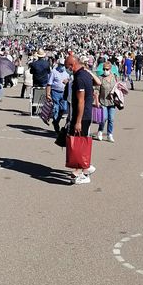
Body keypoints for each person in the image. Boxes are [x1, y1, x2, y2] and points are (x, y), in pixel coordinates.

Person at [65, 52, 95, 185]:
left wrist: (77, 121)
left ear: (72, 65)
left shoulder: (80, 78)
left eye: (67, 66)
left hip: (82, 115)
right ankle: (82, 168)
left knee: (78, 143)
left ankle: (83, 170)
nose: (67, 69)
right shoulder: (85, 74)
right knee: (79, 142)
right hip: (84, 114)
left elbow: (81, 101)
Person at [45, 57, 69, 134]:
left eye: (64, 65)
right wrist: (48, 94)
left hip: (64, 92)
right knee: (56, 109)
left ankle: (56, 121)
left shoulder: (67, 73)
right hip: (55, 92)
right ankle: (56, 124)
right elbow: (49, 84)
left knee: (64, 109)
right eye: (61, 65)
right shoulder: (54, 72)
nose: (62, 66)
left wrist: (68, 81)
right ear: (58, 64)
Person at [96, 61, 117, 142]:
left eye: (107, 69)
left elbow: (118, 87)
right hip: (103, 101)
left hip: (112, 102)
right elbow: (97, 91)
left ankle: (109, 134)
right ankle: (100, 131)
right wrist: (97, 101)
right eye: (104, 69)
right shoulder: (100, 78)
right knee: (104, 118)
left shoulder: (114, 77)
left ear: (110, 69)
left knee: (111, 119)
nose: (105, 70)